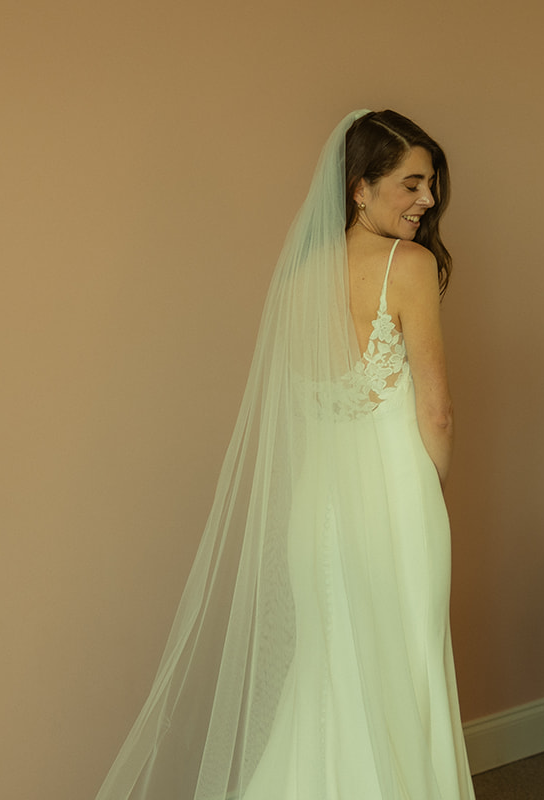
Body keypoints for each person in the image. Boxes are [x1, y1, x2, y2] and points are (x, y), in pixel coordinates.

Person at [95, 110, 473, 800]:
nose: (428, 200)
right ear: (360, 188)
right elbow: (436, 411)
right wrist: (429, 487)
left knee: (325, 679)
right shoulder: (407, 265)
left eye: (432, 184)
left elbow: (302, 415)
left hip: (317, 513)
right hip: (394, 506)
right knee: (405, 673)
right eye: (412, 183)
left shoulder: (300, 280)